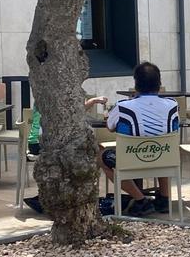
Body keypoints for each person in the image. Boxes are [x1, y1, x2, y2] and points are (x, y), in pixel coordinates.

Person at [99, 63, 179, 215]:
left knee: (101, 157)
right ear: (159, 83)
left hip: (132, 161)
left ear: (136, 83)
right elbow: (174, 128)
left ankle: (140, 200)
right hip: (164, 159)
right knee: (161, 144)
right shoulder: (172, 106)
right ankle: (164, 198)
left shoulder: (123, 106)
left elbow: (110, 126)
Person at [22, 96, 108, 215]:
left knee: (97, 150)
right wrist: (92, 102)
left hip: (44, 141)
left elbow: (72, 113)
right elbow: (72, 113)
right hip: (41, 143)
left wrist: (91, 102)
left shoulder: (48, 93)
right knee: (92, 152)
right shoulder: (52, 95)